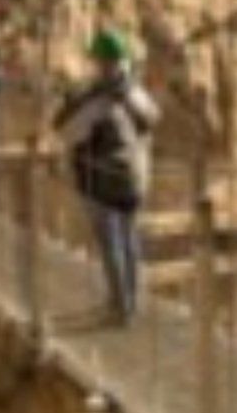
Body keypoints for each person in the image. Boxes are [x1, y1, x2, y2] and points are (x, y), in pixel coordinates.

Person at [55, 29, 160, 325]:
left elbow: (68, 132)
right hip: (136, 178)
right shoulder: (136, 93)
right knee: (129, 238)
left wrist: (72, 100)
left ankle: (119, 307)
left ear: (102, 63)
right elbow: (153, 117)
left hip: (105, 181)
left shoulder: (98, 102)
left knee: (110, 242)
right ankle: (132, 301)